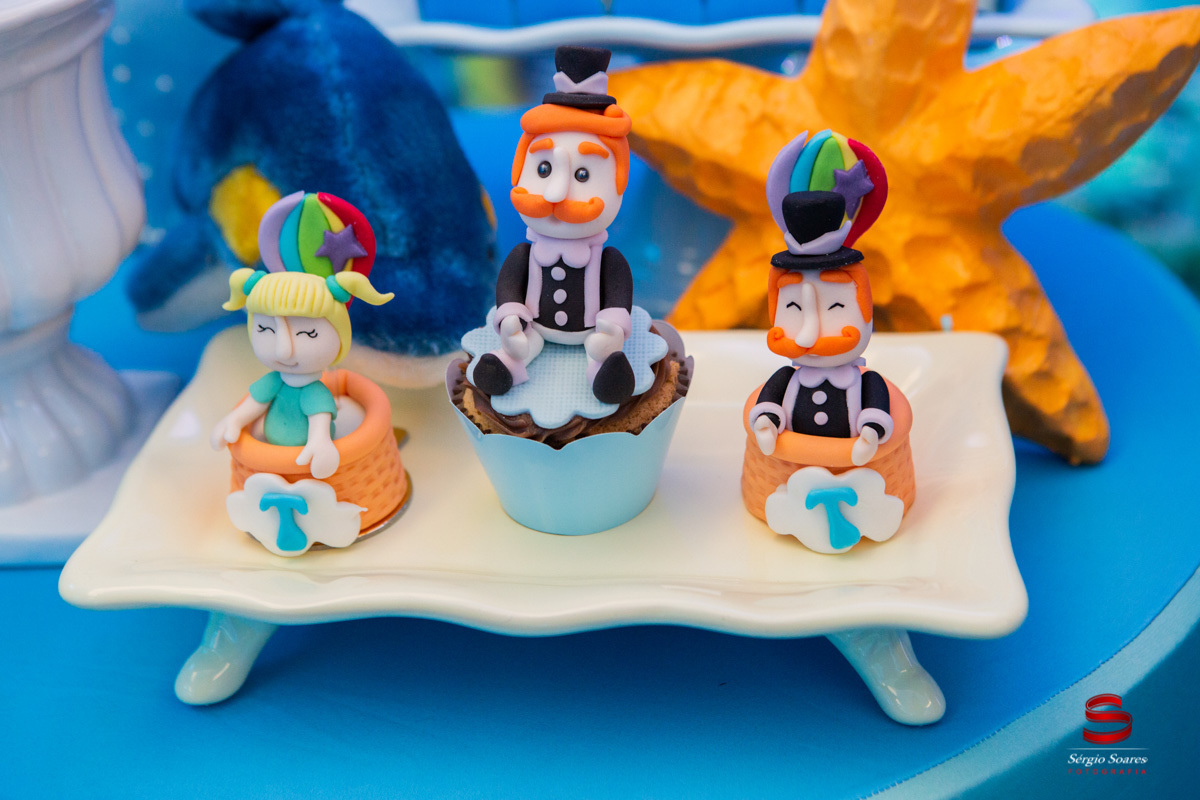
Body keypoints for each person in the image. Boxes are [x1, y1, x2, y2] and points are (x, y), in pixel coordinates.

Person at [469, 45, 637, 404]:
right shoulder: (524, 254)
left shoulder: (607, 261)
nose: (556, 193)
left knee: (602, 348)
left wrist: (613, 326)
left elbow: (618, 293)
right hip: (537, 329)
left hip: (591, 333)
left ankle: (605, 370)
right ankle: (507, 365)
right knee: (520, 344)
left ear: (619, 183)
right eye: (543, 169)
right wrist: (511, 316)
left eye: (582, 175)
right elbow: (509, 286)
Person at [210, 191, 393, 479]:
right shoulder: (274, 382)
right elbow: (254, 404)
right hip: (273, 456)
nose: (283, 350)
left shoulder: (314, 391)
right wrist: (233, 420)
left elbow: (319, 421)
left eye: (308, 333)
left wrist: (319, 442)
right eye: (266, 329)